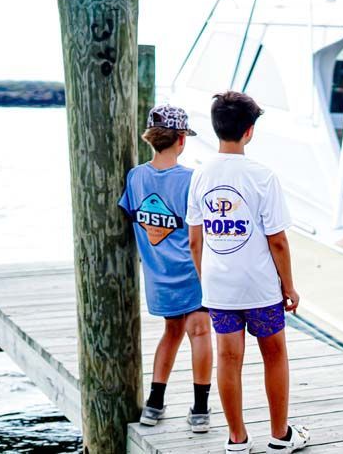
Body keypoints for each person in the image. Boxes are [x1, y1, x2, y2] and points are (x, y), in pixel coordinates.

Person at [186, 91, 309, 454]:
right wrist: (290, 287)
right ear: (249, 131)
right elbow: (279, 242)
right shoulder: (262, 176)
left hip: (220, 287)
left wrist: (205, 278)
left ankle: (237, 438)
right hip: (260, 287)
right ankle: (279, 435)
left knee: (227, 359)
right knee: (274, 354)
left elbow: (195, 240)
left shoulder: (200, 175)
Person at [118, 105, 213, 433]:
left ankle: (154, 404)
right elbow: (200, 231)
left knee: (171, 332)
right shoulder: (191, 179)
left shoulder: (136, 177)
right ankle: (200, 410)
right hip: (192, 273)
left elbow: (134, 216)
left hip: (157, 276)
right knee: (199, 331)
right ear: (181, 140)